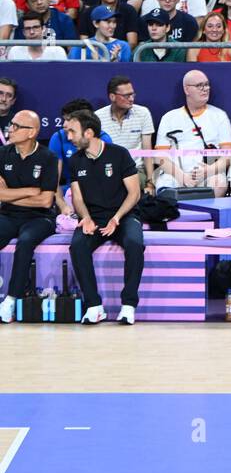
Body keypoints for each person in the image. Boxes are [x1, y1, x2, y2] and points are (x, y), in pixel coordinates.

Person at [64, 110, 144, 326]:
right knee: (78, 246)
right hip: (94, 217)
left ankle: (128, 306)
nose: (68, 137)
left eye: (72, 131)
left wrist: (116, 218)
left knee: (135, 243)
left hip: (124, 215)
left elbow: (134, 193)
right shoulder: (75, 161)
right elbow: (77, 197)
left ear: (89, 132)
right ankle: (93, 306)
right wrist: (86, 218)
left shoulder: (119, 154)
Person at [0, 108, 56, 324]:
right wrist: (30, 190)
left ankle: (11, 300)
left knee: (25, 242)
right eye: (10, 124)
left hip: (39, 217)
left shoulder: (48, 157)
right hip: (9, 214)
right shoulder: (2, 154)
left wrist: (9, 195)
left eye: (16, 126)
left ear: (31, 132)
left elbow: (45, 201)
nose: (10, 129)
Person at [155, 70, 231, 196]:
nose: (205, 89)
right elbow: (160, 157)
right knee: (164, 186)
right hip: (176, 174)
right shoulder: (169, 117)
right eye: (199, 86)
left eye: (207, 84)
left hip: (208, 172)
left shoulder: (219, 115)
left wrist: (209, 170)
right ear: (187, 90)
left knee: (219, 183)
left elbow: (229, 155)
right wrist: (182, 177)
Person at [95, 75, 156, 194]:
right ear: (112, 97)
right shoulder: (98, 117)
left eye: (133, 94)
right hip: (108, 170)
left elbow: (147, 151)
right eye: (126, 95)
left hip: (135, 170)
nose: (132, 99)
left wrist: (150, 181)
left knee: (125, 184)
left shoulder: (143, 113)